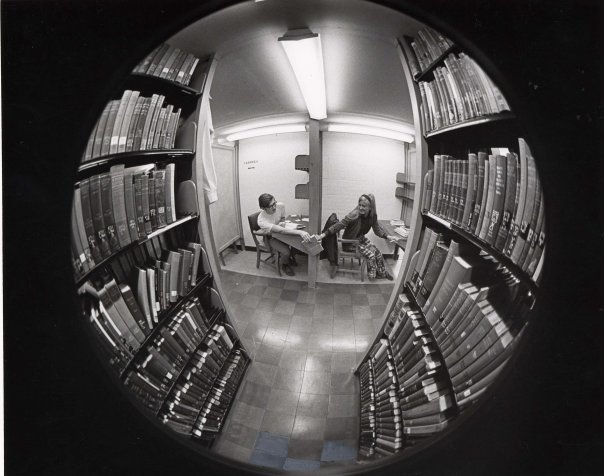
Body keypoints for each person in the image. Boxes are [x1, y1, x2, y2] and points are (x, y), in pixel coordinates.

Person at [316, 193, 399, 280]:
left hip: (360, 239)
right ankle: (373, 275)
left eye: (364, 206)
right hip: (350, 243)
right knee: (371, 255)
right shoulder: (354, 215)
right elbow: (338, 225)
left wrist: (388, 237)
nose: (360, 208)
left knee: (378, 254)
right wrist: (322, 235)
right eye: (360, 205)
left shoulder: (373, 216)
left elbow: (377, 230)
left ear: (371, 207)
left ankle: (382, 273)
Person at [257, 193, 311, 276]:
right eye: (271, 206)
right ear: (263, 208)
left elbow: (282, 217)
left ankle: (288, 258)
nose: (275, 207)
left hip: (280, 232)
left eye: (274, 203)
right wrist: (301, 232)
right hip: (270, 237)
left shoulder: (280, 205)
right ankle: (284, 264)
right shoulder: (262, 220)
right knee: (286, 251)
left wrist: (282, 222)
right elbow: (281, 231)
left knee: (297, 243)